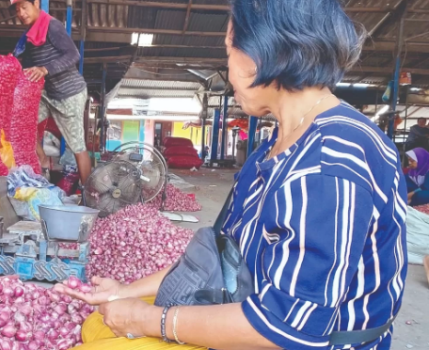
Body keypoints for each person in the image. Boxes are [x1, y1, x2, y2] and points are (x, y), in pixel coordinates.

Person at [56, 1, 407, 349]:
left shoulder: (328, 165)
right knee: (98, 327)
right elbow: (225, 255)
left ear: (264, 52)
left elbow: (287, 328)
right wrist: (125, 292)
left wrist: (149, 320)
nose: (226, 66)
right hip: (246, 308)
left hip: (295, 340)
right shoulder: (276, 145)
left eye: (230, 51)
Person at [11, 0, 92, 185]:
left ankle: (89, 194)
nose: (21, 13)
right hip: (48, 95)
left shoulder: (52, 26)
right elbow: (24, 63)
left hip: (69, 94)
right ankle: (43, 158)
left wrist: (45, 69)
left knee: (77, 146)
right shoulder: (29, 35)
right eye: (17, 10)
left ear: (36, 4)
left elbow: (73, 55)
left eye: (24, 7)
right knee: (22, 123)